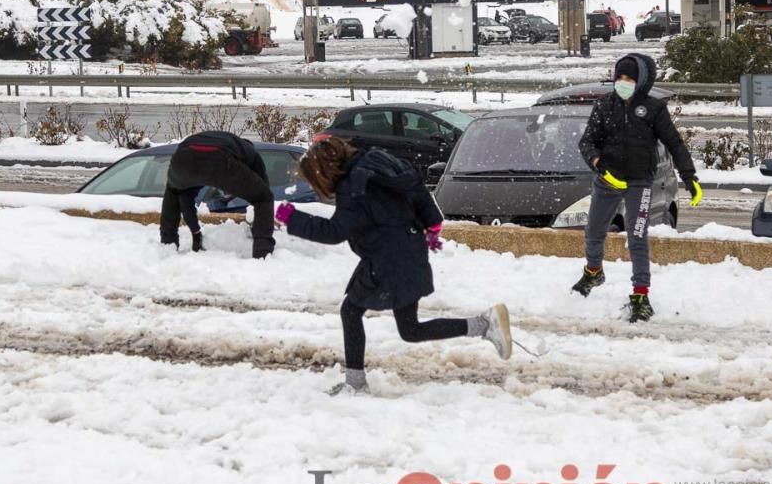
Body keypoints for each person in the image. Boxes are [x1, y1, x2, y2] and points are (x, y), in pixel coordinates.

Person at [275, 137, 512, 395]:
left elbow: (334, 231)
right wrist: (431, 224)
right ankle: (483, 325)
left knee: (352, 312)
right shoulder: (375, 161)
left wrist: (292, 217)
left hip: (389, 259)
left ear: (323, 171)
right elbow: (415, 187)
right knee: (408, 328)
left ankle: (356, 383)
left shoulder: (354, 187)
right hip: (403, 248)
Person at [573, 53, 702, 322]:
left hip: (639, 182)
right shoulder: (605, 106)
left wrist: (689, 176)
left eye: (629, 78)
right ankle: (593, 272)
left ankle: (640, 294)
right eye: (619, 77)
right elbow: (587, 142)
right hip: (608, 178)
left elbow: (674, 144)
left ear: (640, 81)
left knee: (637, 237)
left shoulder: (653, 109)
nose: (623, 82)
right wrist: (598, 163)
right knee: (594, 230)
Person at [160, 131, 275, 259]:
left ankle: (167, 244)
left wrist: (195, 230)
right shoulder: (250, 152)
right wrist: (262, 217)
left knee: (174, 191)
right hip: (219, 158)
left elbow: (184, 197)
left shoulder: (227, 140)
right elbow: (264, 191)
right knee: (264, 198)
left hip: (183, 157)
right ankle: (263, 254)